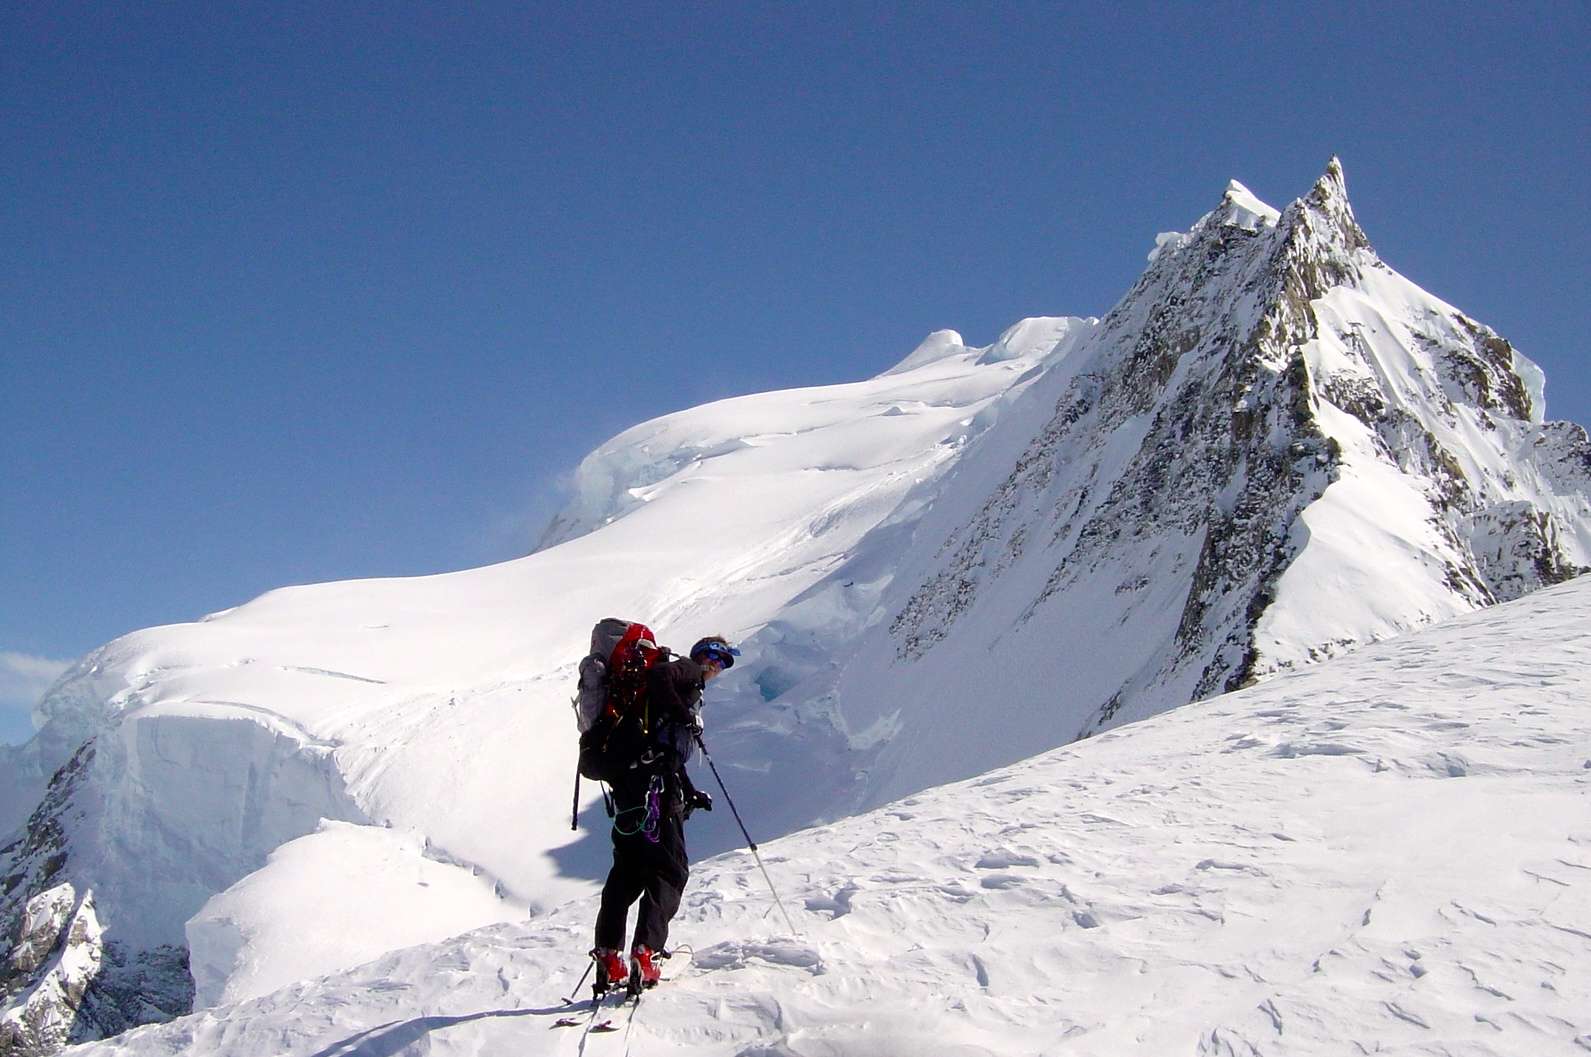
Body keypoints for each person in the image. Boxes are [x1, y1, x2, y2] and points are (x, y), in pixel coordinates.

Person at [590, 634, 738, 993]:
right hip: (656, 789)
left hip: (630, 786)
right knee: (671, 870)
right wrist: (684, 713)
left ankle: (610, 956)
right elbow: (660, 684)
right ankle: (646, 953)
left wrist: (689, 791)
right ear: (704, 656)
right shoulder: (686, 672)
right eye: (716, 660)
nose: (716, 668)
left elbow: (665, 748)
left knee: (627, 870)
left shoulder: (670, 689)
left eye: (720, 665)